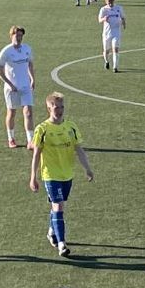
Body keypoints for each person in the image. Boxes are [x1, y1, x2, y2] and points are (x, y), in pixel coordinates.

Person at [30, 92, 95, 258]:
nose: (59, 111)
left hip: (68, 174)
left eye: (61, 107)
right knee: (59, 207)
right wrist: (33, 176)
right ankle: (62, 244)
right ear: (48, 108)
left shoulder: (71, 127)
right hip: (51, 175)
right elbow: (36, 154)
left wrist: (87, 168)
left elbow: (78, 149)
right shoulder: (42, 129)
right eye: (56, 107)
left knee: (56, 206)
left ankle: (52, 231)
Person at [0, 26, 36, 150]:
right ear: (11, 36)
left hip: (25, 86)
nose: (19, 38)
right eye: (16, 35)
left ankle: (30, 140)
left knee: (28, 113)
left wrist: (32, 79)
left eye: (20, 36)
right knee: (12, 112)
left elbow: (30, 64)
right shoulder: (6, 51)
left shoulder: (27, 49)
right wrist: (9, 84)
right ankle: (11, 138)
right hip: (11, 88)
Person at [97, 0, 126, 72]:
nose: (110, 3)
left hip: (116, 32)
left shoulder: (119, 8)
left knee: (115, 49)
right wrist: (104, 19)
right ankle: (106, 61)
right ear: (106, 1)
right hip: (107, 33)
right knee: (106, 50)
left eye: (111, 2)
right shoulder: (103, 9)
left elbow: (123, 17)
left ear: (114, 1)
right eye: (108, 2)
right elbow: (99, 20)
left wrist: (123, 23)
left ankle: (115, 67)